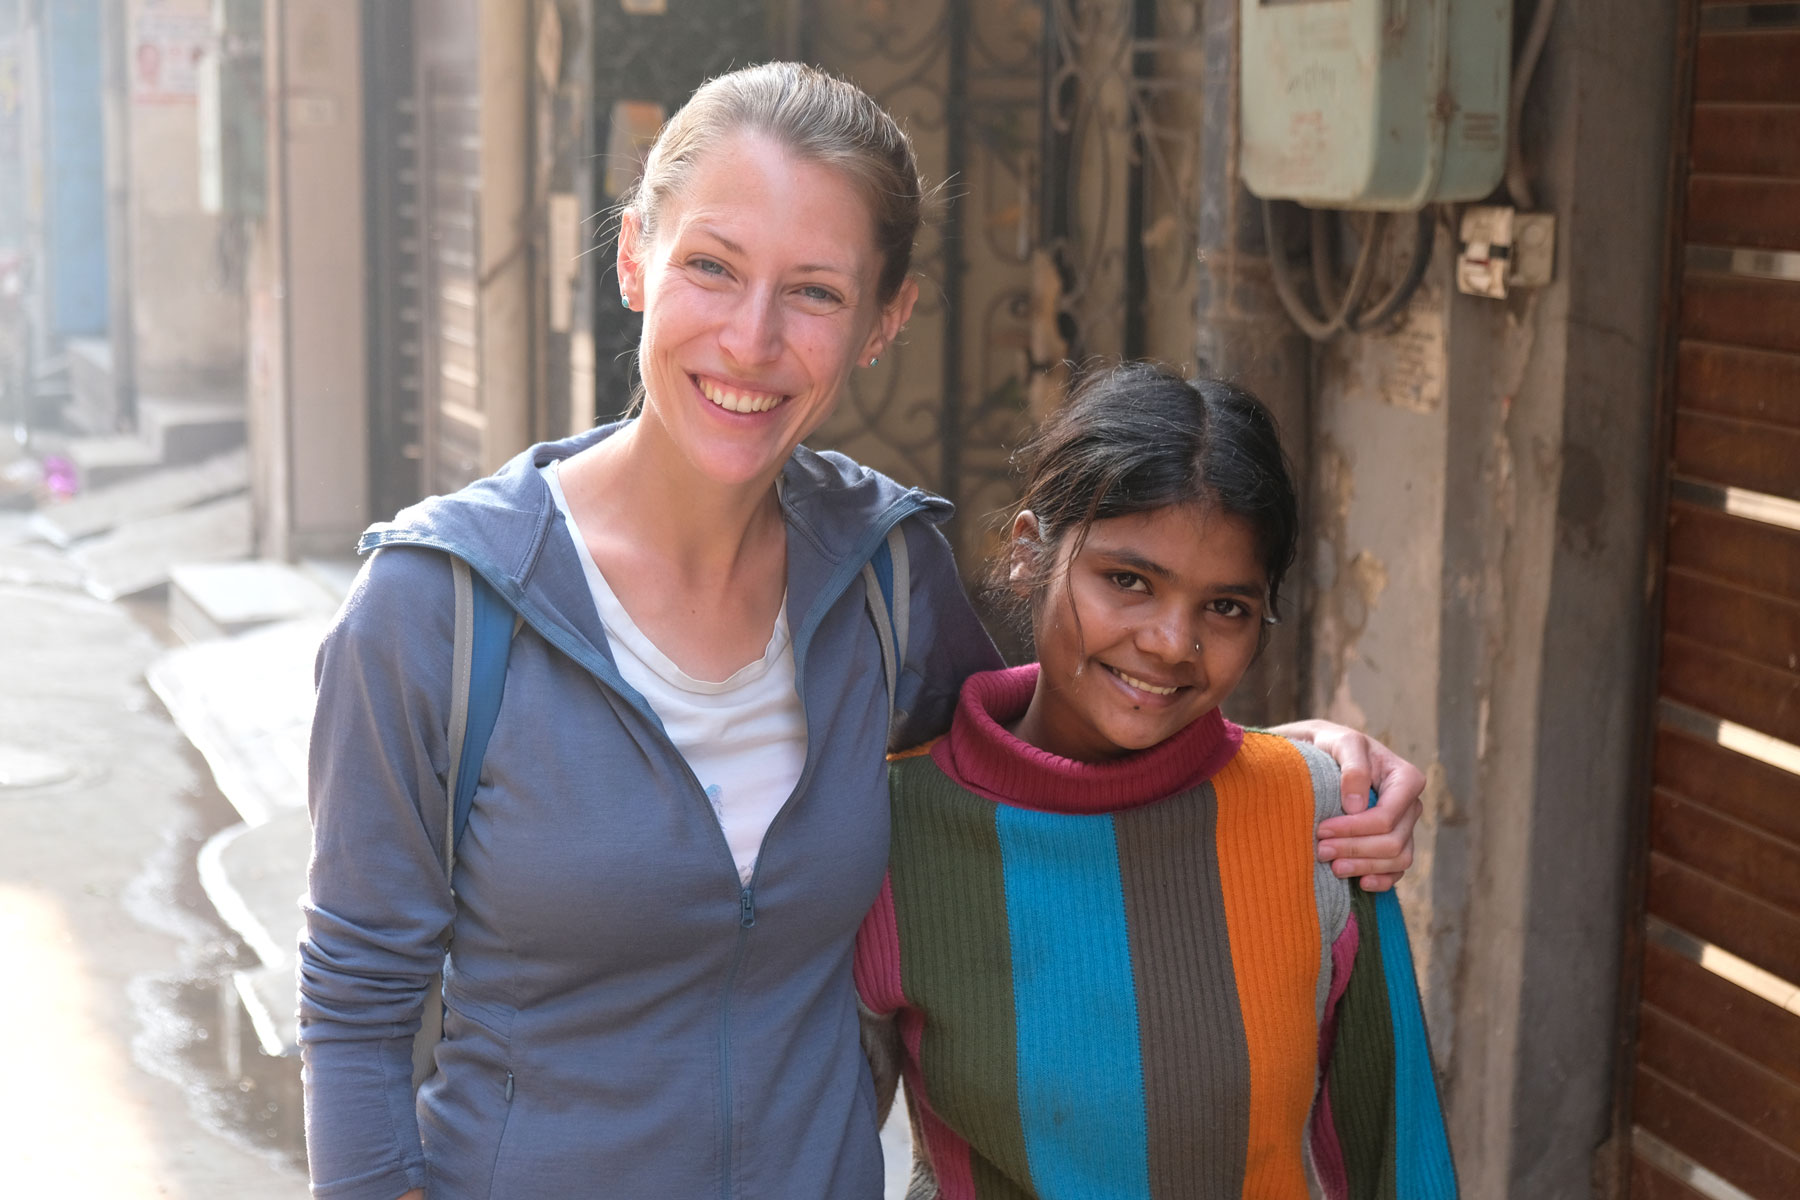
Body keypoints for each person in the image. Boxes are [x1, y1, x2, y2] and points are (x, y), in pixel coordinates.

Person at [299, 64, 1423, 1200]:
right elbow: (354, 1007)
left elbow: (1050, 758)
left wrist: (1306, 764)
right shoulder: (436, 611)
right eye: (712, 266)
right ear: (634, 257)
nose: (751, 338)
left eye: (817, 293)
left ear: (887, 321)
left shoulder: (883, 573)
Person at [854, 363, 1455, 1199]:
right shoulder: (887, 829)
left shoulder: (1323, 818)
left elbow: (1396, 1157)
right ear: (1030, 552)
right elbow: (805, 1151)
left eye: (1226, 608)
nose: (1174, 642)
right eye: (1128, 581)